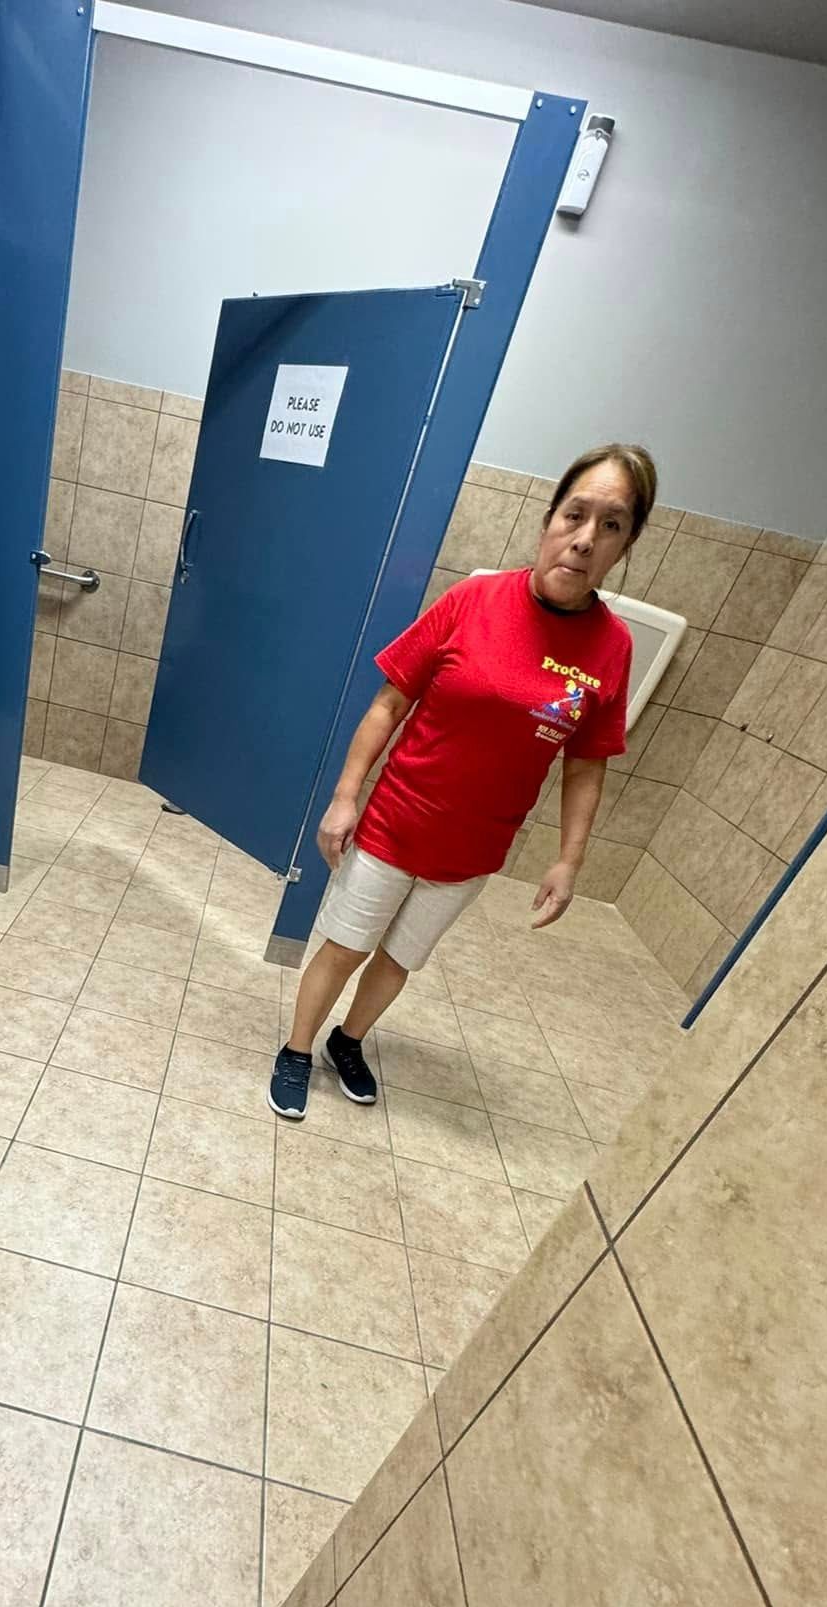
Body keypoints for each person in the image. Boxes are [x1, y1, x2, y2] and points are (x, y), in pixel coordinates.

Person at [268, 442, 656, 1121]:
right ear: (548, 521)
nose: (585, 539)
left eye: (612, 525)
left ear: (626, 544)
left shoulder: (612, 647)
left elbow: (586, 761)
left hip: (475, 849)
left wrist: (570, 860)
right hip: (395, 824)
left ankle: (347, 1040)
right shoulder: (475, 598)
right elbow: (389, 703)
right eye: (575, 515)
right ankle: (297, 1050)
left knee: (400, 958)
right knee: (347, 945)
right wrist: (344, 796)